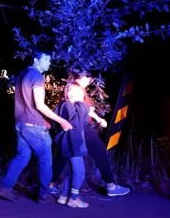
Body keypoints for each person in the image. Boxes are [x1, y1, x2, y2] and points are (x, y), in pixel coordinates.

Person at [0, 49, 73, 202]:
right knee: (45, 157)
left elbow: (27, 103)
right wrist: (61, 121)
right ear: (36, 60)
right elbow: (39, 105)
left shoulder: (22, 74)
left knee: (23, 156)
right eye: (46, 59)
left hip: (20, 122)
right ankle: (43, 193)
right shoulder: (36, 76)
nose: (49, 63)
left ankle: (4, 187)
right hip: (33, 126)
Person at [49, 67, 129, 197]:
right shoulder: (76, 89)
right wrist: (98, 119)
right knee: (100, 153)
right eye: (88, 77)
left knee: (63, 156)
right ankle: (111, 186)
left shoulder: (74, 87)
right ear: (80, 77)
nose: (90, 80)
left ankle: (49, 185)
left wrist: (98, 118)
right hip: (82, 127)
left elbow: (84, 108)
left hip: (78, 127)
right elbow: (80, 109)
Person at [53, 82, 92, 208]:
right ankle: (74, 198)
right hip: (72, 143)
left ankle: (64, 196)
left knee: (72, 171)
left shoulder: (67, 105)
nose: (82, 95)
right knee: (80, 172)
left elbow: (83, 121)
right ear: (69, 93)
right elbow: (76, 122)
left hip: (70, 142)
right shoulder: (68, 105)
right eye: (79, 92)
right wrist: (83, 105)